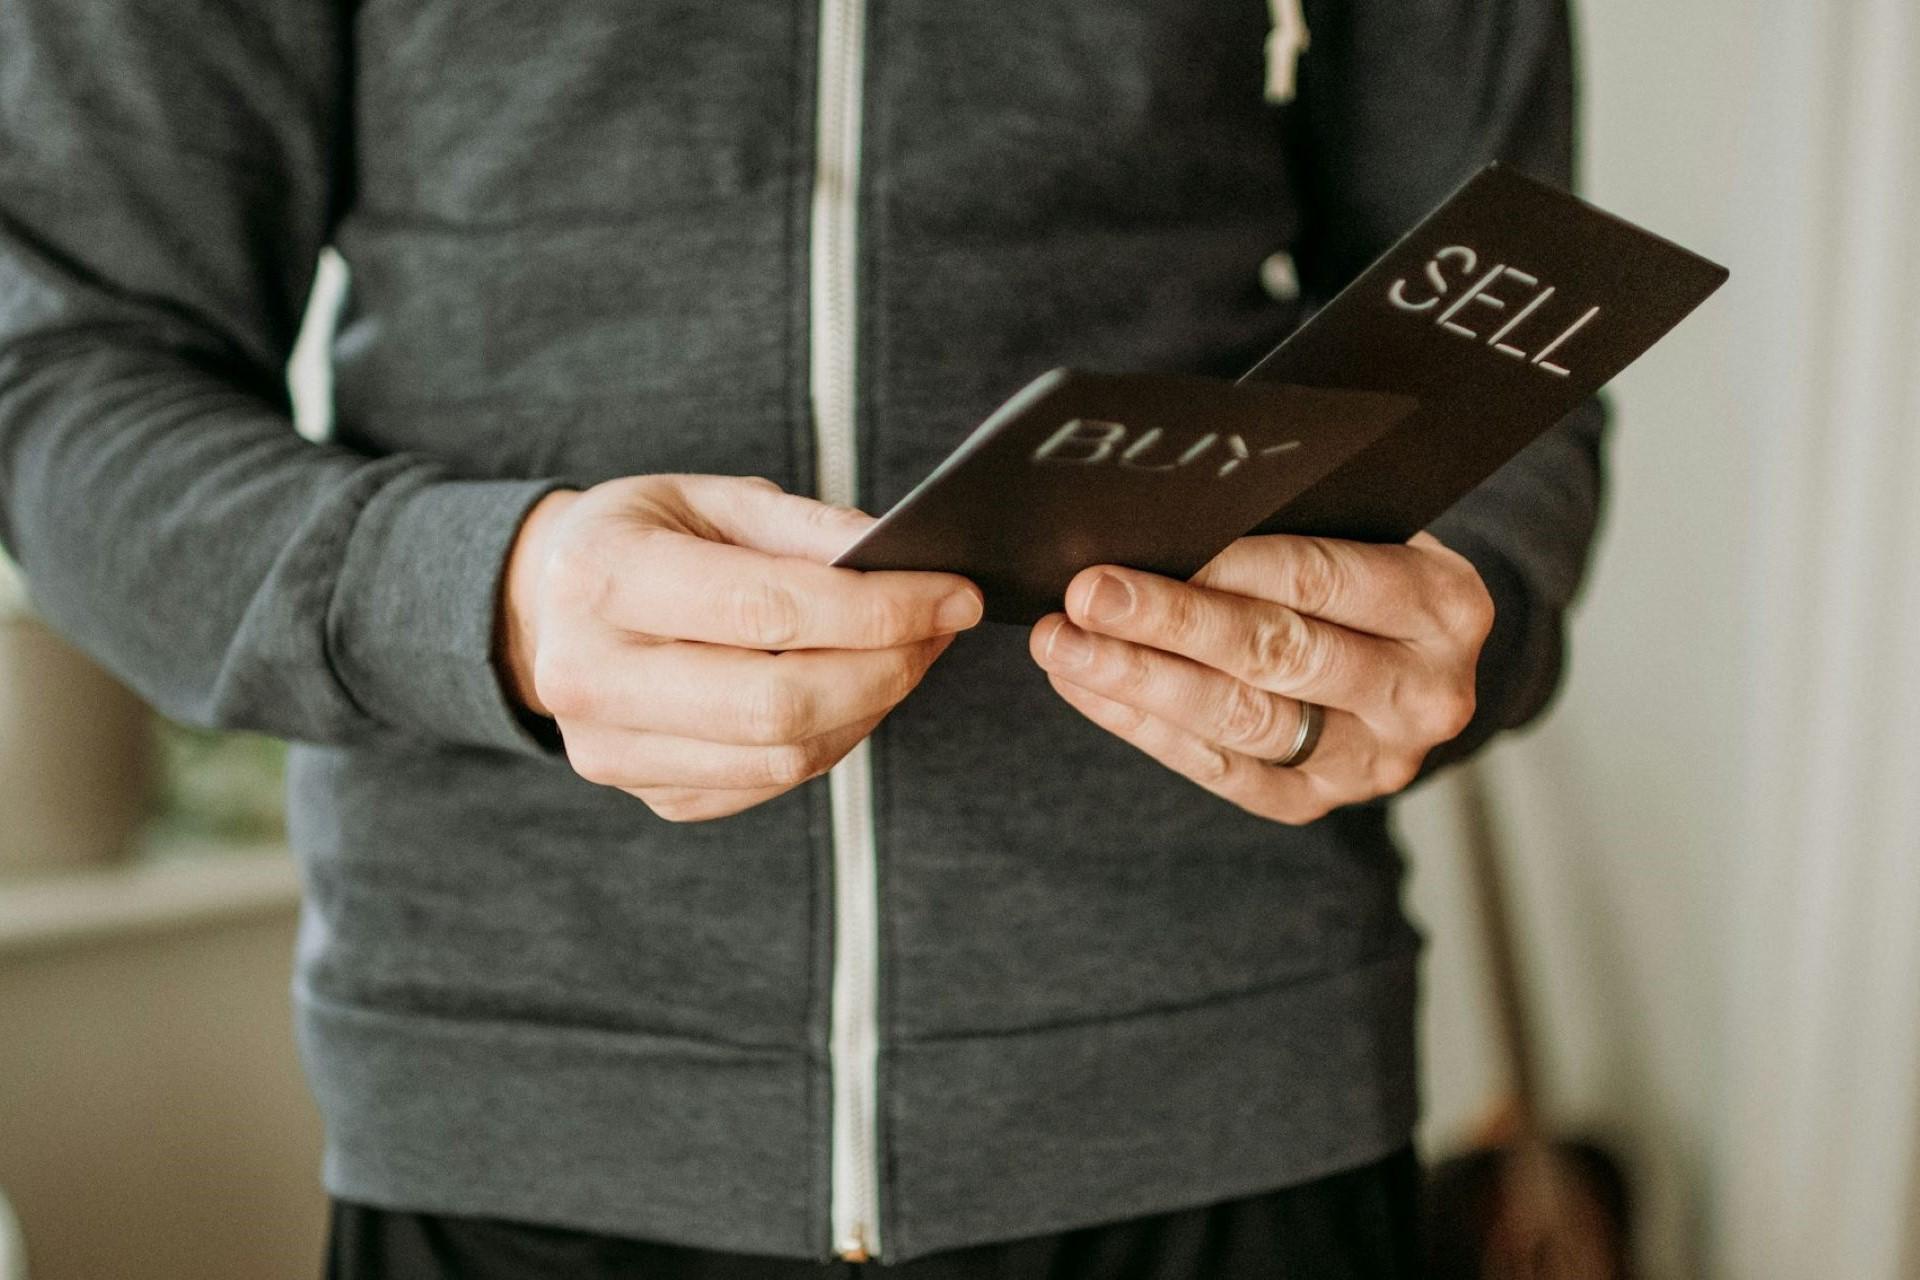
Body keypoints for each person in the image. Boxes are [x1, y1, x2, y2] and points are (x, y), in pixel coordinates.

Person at [0, 0, 1604, 1276]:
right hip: (531, 1110)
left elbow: (1500, 292)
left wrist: (1451, 611)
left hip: (1229, 1087)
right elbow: (64, 380)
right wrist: (483, 599)